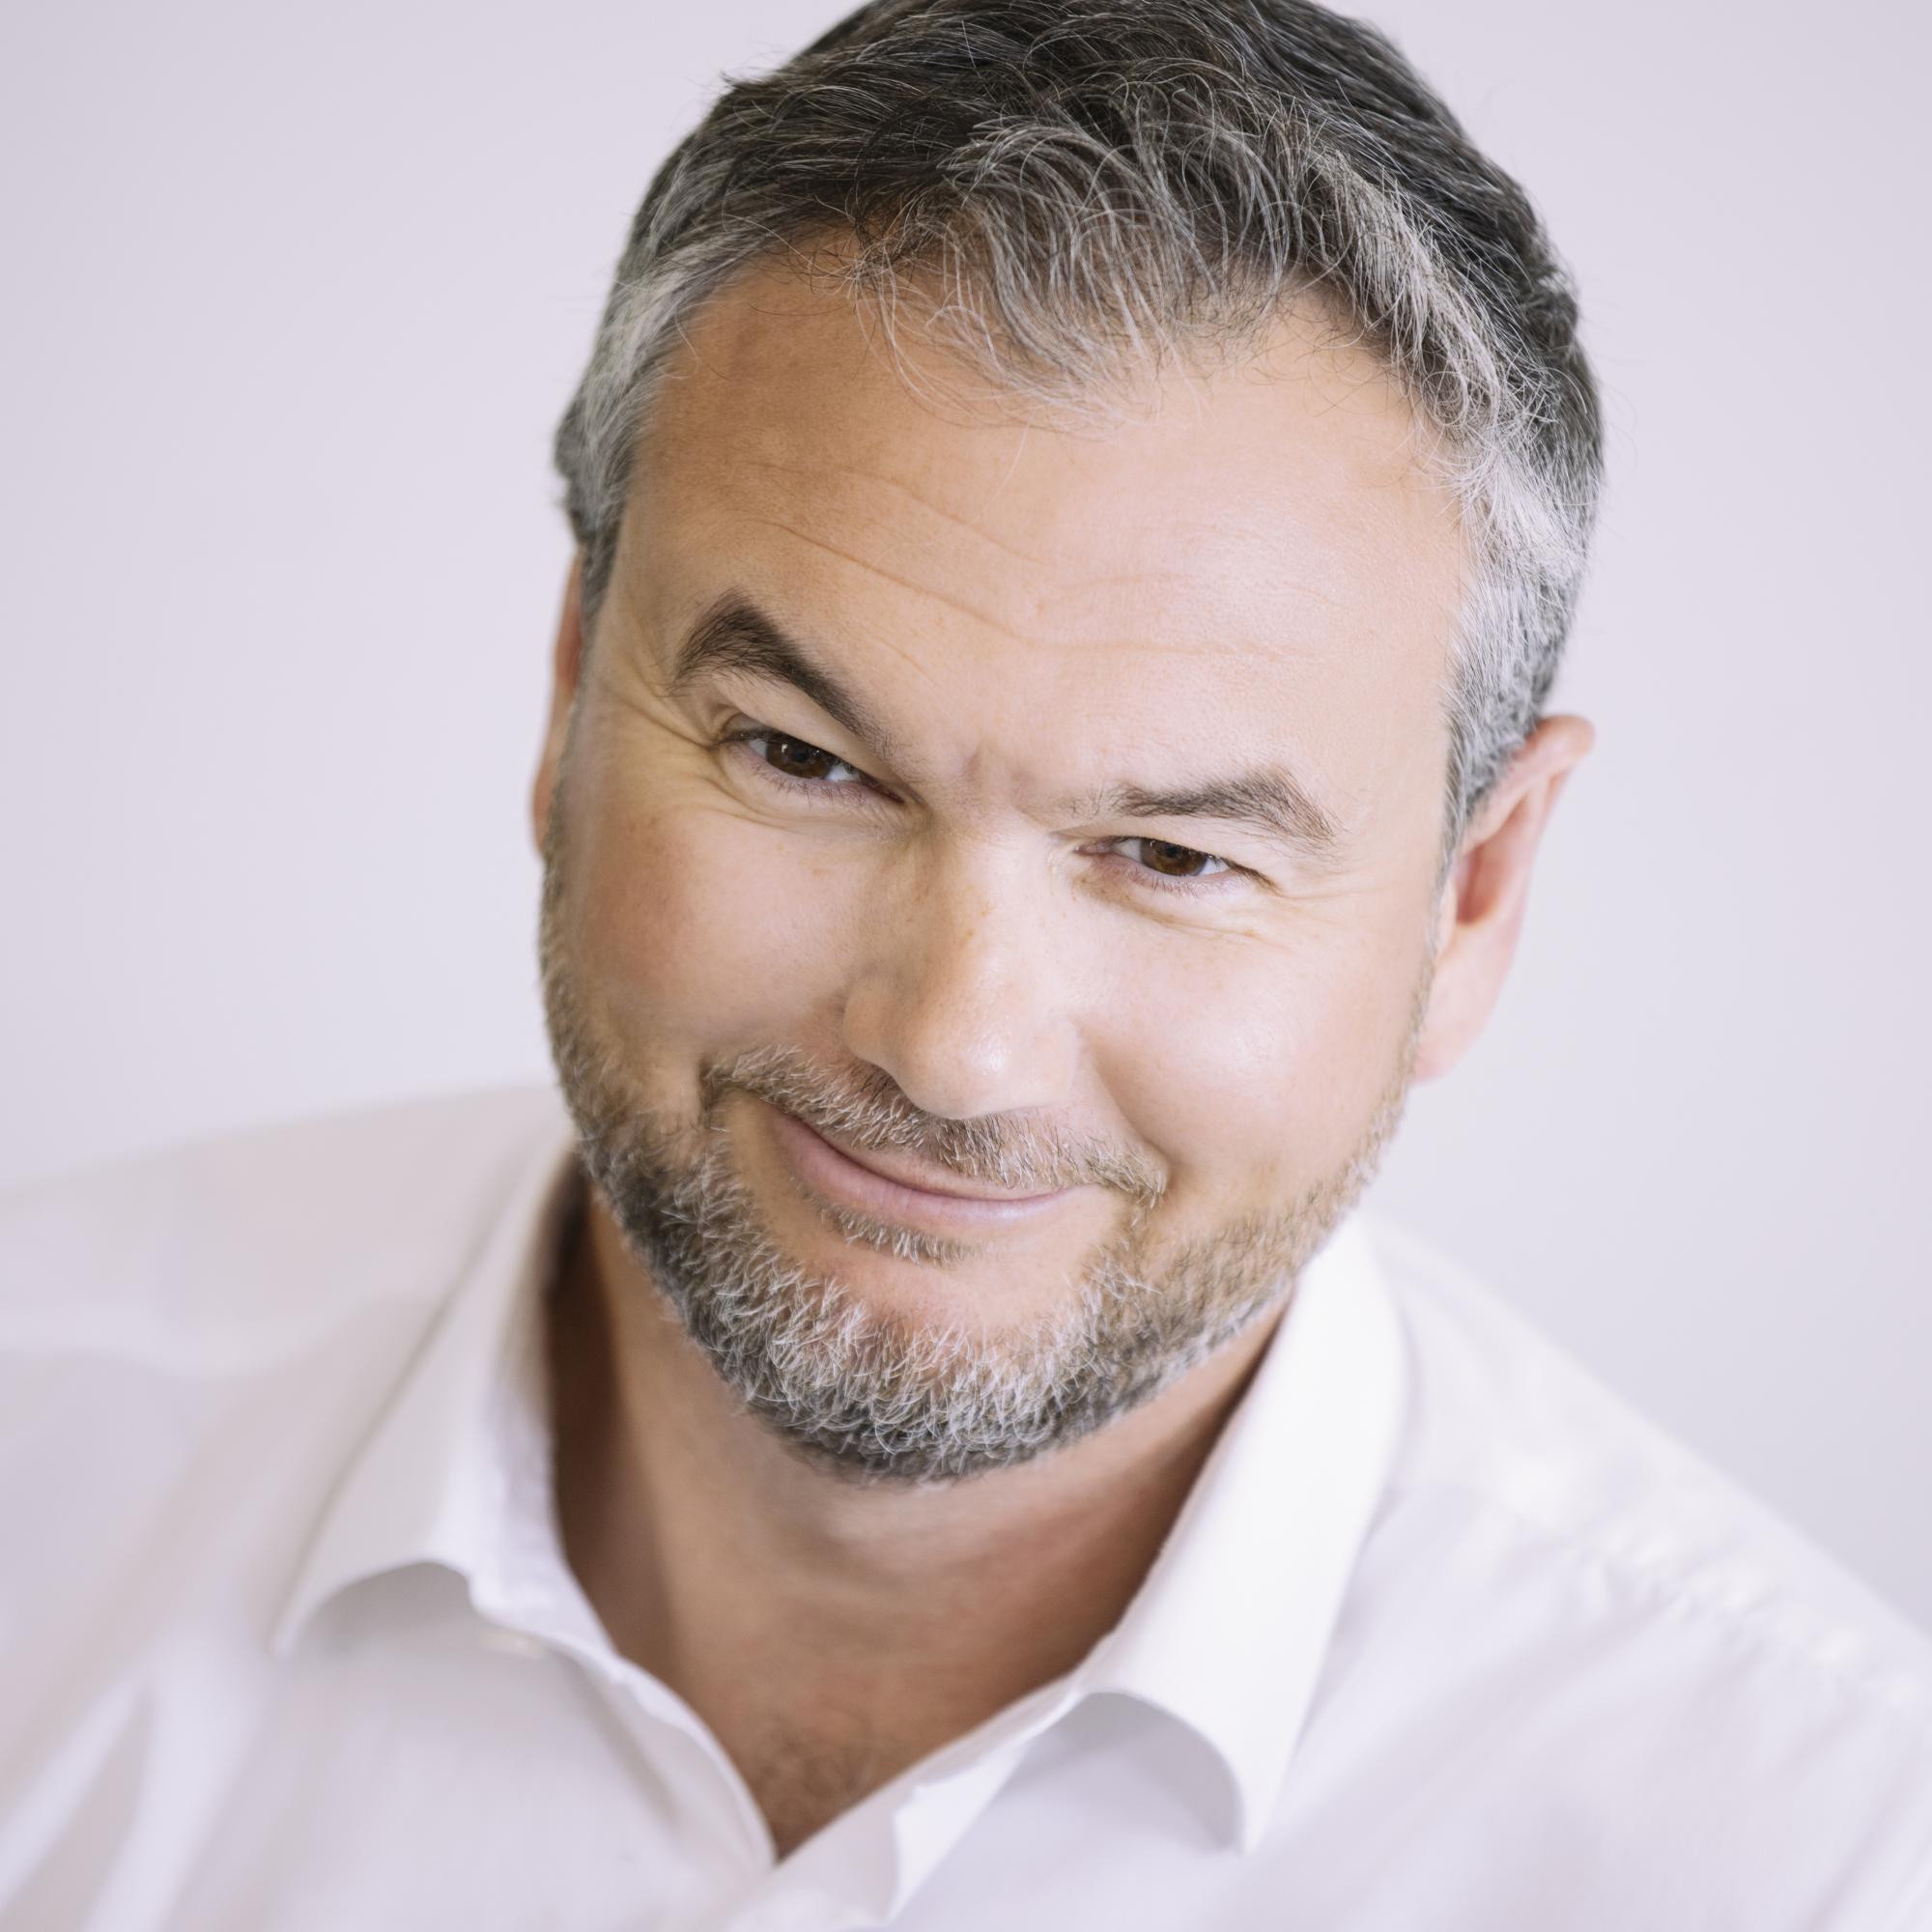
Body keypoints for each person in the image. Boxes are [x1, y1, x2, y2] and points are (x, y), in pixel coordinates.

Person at [3, 0, 1929, 1923]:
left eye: (1175, 856)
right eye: (803, 761)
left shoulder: (1814, 1855)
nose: (952, 1044)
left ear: (1475, 895)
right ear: (574, 687)